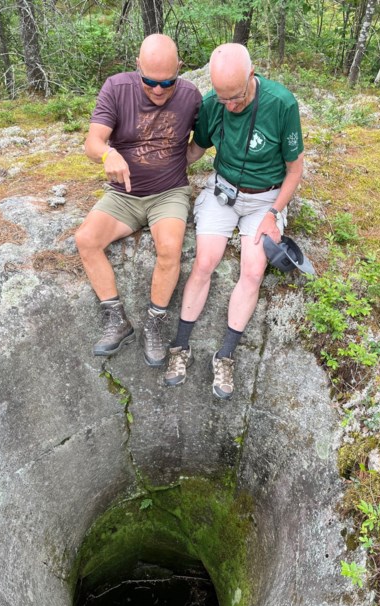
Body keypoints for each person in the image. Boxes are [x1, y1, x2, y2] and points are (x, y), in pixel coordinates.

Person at [165, 43, 304, 399]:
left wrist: (274, 214)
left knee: (253, 270)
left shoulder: (281, 103)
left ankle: (225, 355)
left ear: (252, 75)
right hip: (223, 191)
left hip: (265, 199)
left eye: (237, 98)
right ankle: (180, 347)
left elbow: (295, 168)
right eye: (223, 98)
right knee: (205, 261)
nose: (230, 106)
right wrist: (159, 170)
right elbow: (197, 150)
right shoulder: (214, 104)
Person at [75, 34, 202, 365]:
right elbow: (92, 142)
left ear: (179, 70)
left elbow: (205, 137)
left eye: (167, 83)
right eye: (149, 81)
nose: (158, 90)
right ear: (137, 67)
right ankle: (117, 321)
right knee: (86, 240)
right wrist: (108, 154)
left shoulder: (191, 96)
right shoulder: (116, 88)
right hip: (124, 194)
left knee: (170, 248)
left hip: (169, 193)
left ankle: (154, 324)